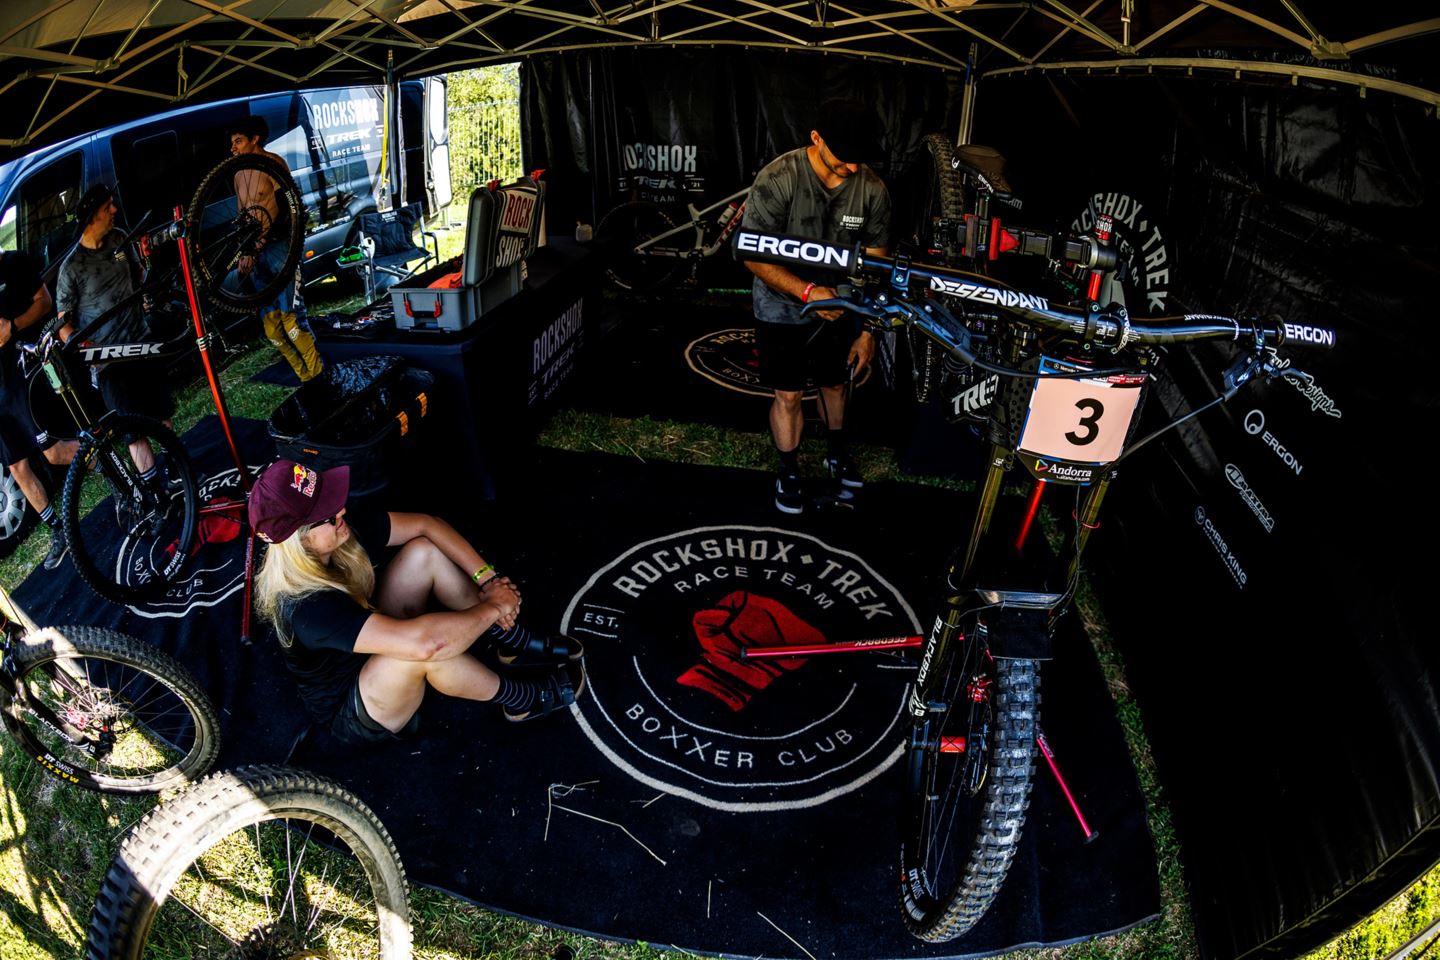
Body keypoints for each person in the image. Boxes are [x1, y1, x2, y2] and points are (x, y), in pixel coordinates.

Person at [250, 459, 585, 745]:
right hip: (355, 706)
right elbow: (426, 645)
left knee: (423, 553)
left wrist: (487, 579)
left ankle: (510, 642)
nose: (341, 510)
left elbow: (427, 524)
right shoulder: (307, 608)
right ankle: (522, 700)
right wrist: (494, 605)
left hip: (372, 636)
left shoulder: (336, 533)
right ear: (301, 540)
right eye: (328, 515)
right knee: (420, 654)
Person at [741, 97, 891, 514]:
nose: (853, 167)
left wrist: (866, 330)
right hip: (780, 304)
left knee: (836, 384)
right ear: (816, 139)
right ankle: (788, 469)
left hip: (843, 306)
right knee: (788, 394)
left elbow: (877, 268)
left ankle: (837, 453)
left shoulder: (873, 190)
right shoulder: (779, 177)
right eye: (845, 157)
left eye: (860, 159)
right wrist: (807, 293)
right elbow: (751, 253)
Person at [54, 184, 175, 496]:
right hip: (109, 363)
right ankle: (155, 492)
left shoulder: (120, 237)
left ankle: (177, 471)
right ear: (94, 214)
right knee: (134, 433)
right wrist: (86, 352)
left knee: (162, 414)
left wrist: (147, 291)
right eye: (108, 206)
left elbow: (139, 275)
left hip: (142, 344)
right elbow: (62, 326)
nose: (114, 210)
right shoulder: (71, 269)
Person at [223, 117, 323, 382]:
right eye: (231, 143)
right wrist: (245, 251)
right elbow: (241, 218)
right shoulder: (238, 175)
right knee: (272, 330)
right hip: (257, 253)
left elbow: (289, 208)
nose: (233, 148)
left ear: (255, 139)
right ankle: (305, 379)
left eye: (238, 141)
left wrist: (267, 238)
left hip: (282, 248)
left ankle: (318, 377)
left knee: (291, 323)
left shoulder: (274, 164)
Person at [0, 249, 79, 569]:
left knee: (53, 453)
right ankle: (58, 531)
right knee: (17, 466)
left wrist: (13, 327)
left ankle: (114, 475)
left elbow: (45, 302)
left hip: (22, 376)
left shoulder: (12, 264)